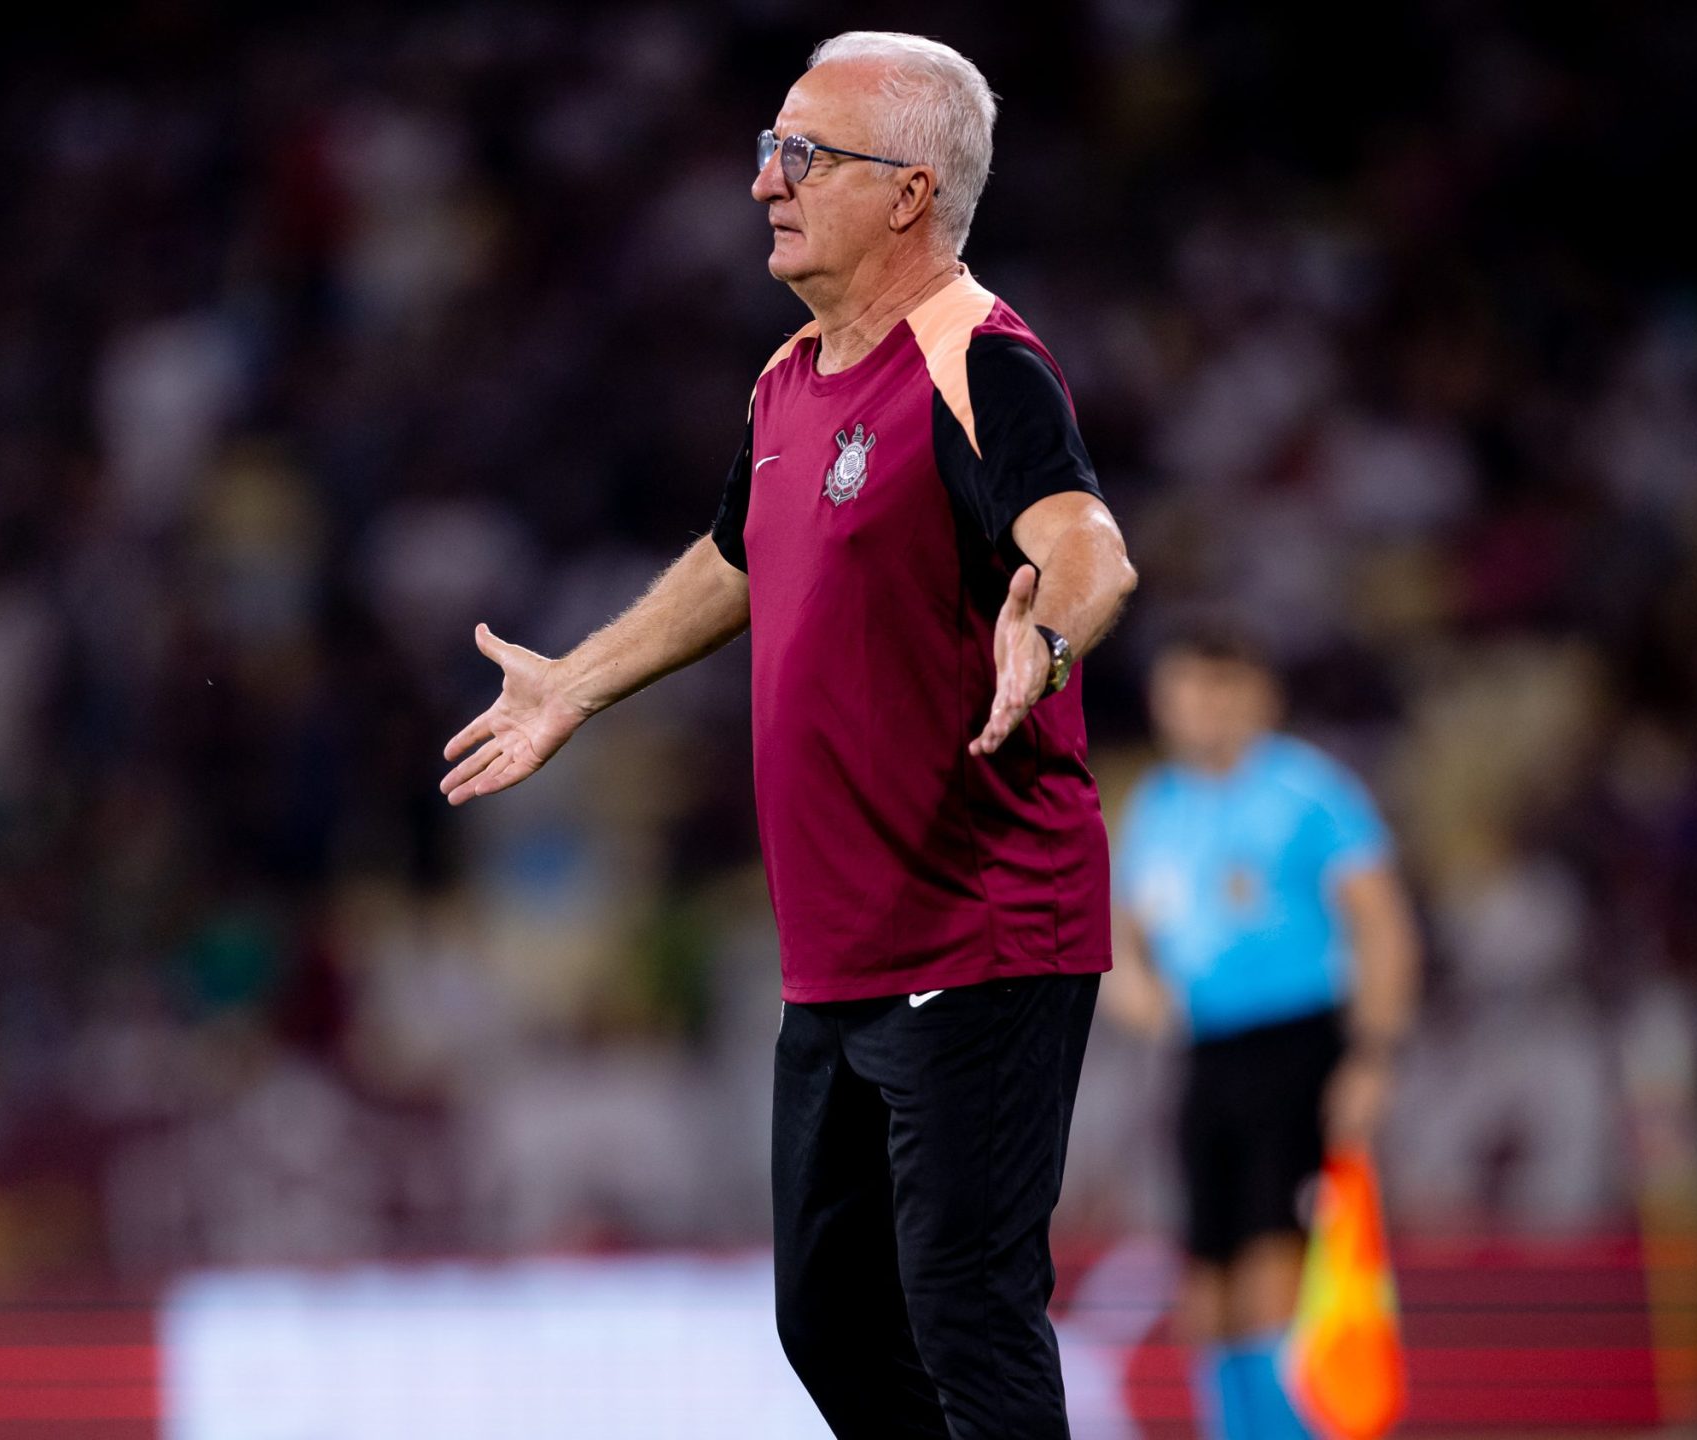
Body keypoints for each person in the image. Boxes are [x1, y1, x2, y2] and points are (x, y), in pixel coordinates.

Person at [439, 31, 1138, 1439]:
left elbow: (1089, 548)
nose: (766, 181)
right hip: (841, 953)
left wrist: (1048, 636)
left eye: (804, 154)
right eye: (771, 148)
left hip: (981, 933)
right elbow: (736, 555)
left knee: (965, 1313)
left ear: (908, 192)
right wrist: (576, 684)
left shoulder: (978, 363)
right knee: (829, 1322)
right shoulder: (790, 375)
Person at [1105, 626, 1422, 1440]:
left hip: (1299, 1046)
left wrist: (1373, 1056)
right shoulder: (1158, 807)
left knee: (1277, 1268)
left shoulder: (1309, 792)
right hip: (1206, 1057)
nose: (1201, 707)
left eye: (1220, 687)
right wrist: (1133, 988)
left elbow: (1382, 925)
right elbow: (1125, 933)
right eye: (1185, 689)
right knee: (1206, 1283)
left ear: (1258, 696)